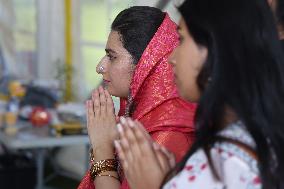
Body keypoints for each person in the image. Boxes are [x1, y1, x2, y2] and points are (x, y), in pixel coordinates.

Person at [114, 0, 284, 188]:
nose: (171, 58)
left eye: (182, 40)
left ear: (216, 51)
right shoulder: (257, 138)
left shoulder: (219, 165)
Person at [78, 6, 196, 189]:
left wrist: (102, 149)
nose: (100, 67)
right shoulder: (143, 120)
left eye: (112, 57)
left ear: (146, 65)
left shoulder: (167, 138)